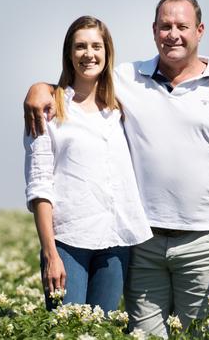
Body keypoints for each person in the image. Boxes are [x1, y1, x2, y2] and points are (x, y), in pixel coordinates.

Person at [24, 0, 209, 337]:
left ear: (200, 30)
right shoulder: (127, 79)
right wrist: (39, 88)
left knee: (199, 333)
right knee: (143, 335)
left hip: (202, 239)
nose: (173, 34)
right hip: (143, 240)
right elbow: (83, 79)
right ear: (154, 31)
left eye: (182, 26)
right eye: (165, 26)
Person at [23, 16, 152, 313]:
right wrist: (50, 254)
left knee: (103, 330)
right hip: (68, 242)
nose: (88, 54)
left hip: (116, 242)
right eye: (80, 47)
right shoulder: (48, 109)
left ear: (107, 54)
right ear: (69, 54)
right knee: (68, 330)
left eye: (96, 46)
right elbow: (39, 185)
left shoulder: (120, 108)